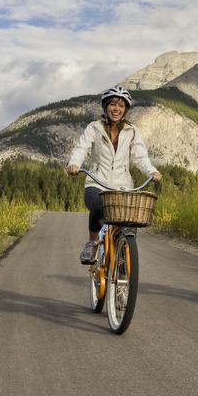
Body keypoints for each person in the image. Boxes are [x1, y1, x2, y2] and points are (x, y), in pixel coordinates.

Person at [66, 86, 161, 264]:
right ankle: (92, 242)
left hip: (123, 186)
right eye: (112, 104)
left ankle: (124, 254)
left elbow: (140, 156)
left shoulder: (132, 131)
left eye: (121, 105)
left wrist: (151, 171)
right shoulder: (94, 128)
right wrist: (74, 164)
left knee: (128, 220)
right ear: (105, 107)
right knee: (98, 205)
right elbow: (82, 148)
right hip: (96, 182)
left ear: (125, 109)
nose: (116, 109)